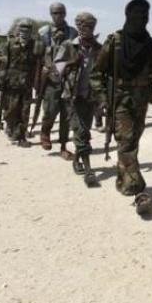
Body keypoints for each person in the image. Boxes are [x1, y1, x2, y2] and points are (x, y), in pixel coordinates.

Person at [91, 0, 152, 215]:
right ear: (128, 16)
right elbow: (96, 74)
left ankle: (123, 180)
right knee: (126, 142)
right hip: (119, 101)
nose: (142, 19)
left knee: (131, 142)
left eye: (145, 16)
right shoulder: (115, 42)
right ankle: (139, 189)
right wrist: (101, 98)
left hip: (141, 101)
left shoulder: (151, 45)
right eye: (137, 15)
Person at [61, 12, 103, 186]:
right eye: (84, 26)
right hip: (73, 96)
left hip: (90, 97)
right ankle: (88, 170)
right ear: (78, 27)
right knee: (80, 132)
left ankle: (77, 158)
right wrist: (71, 63)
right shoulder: (68, 46)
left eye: (91, 26)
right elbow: (57, 70)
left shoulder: (99, 48)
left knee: (85, 131)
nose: (88, 29)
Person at [37, 2, 78, 158]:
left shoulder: (73, 33)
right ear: (51, 14)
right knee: (50, 111)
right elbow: (38, 55)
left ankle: (63, 145)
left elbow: (76, 54)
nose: (58, 16)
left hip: (68, 78)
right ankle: (45, 133)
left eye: (61, 13)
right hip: (50, 79)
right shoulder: (43, 32)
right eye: (55, 13)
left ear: (65, 14)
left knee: (66, 114)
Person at [0, 20, 39, 147]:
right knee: (11, 109)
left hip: (26, 83)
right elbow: (4, 63)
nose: (24, 31)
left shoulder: (35, 45)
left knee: (25, 110)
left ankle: (21, 136)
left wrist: (36, 83)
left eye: (27, 28)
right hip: (11, 82)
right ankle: (10, 126)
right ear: (17, 29)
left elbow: (37, 65)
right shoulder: (9, 44)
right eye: (22, 28)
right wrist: (1, 80)